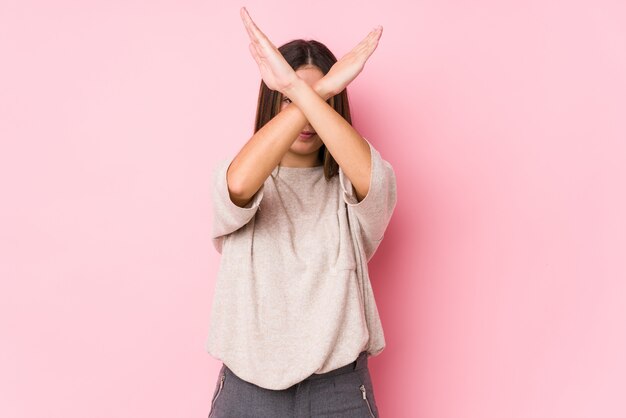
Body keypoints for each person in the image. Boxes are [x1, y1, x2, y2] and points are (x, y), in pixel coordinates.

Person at [206, 7, 397, 417]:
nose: (307, 115)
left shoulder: (353, 185)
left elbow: (374, 182)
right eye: (289, 99)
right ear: (270, 101)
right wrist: (313, 90)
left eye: (322, 99)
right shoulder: (242, 173)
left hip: (340, 392)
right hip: (246, 392)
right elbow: (238, 186)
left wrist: (297, 88)